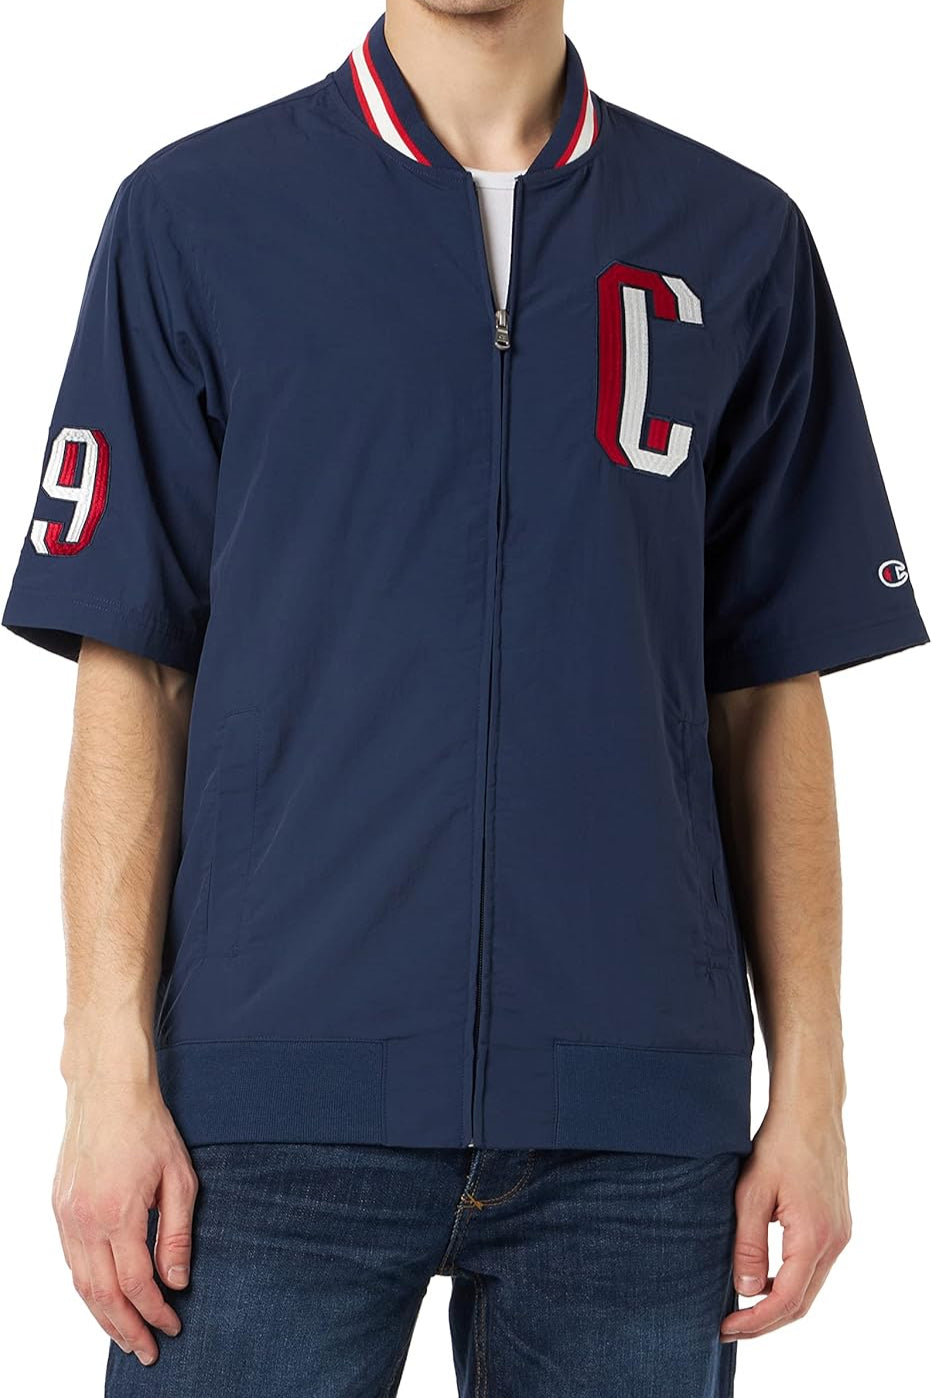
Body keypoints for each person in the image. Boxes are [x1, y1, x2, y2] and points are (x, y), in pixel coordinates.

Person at [3, 2, 926, 1394]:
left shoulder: (736, 238)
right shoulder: (196, 217)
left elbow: (766, 688)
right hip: (262, 1119)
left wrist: (817, 1089)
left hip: (635, 1133)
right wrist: (103, 1074)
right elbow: (136, 665)